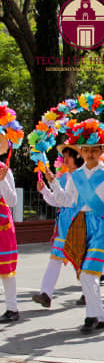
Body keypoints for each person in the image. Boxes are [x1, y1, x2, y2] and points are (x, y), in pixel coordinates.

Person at [48, 120, 104, 332]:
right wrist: (52, 183)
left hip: (102, 227)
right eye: (86, 150)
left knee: (89, 274)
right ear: (81, 152)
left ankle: (91, 316)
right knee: (85, 275)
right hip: (80, 226)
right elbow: (67, 200)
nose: (90, 154)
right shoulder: (74, 175)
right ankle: (98, 316)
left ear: (102, 150)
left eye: (94, 150)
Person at [32, 147, 85, 308]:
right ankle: (46, 294)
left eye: (68, 156)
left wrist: (53, 183)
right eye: (64, 156)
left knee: (81, 260)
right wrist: (46, 191)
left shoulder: (83, 176)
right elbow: (59, 200)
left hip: (80, 223)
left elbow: (69, 201)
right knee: (55, 257)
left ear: (76, 157)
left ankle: (88, 292)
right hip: (64, 223)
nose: (65, 159)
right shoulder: (65, 177)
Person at [0, 105, 21, 324]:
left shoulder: (4, 170)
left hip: (2, 223)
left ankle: (12, 308)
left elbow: (13, 201)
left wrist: (2, 181)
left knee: (5, 268)